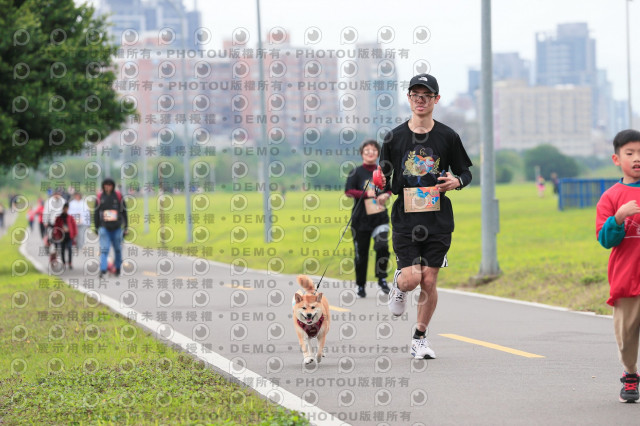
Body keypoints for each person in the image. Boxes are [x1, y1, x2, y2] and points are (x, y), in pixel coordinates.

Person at [379, 73, 472, 359]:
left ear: (436, 99)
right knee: (412, 279)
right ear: (408, 98)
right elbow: (384, 176)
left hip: (438, 219)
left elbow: (465, 172)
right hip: (406, 219)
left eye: (426, 96)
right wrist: (381, 188)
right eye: (415, 95)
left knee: (429, 281)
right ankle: (399, 285)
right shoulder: (394, 137)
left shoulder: (448, 136)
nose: (420, 100)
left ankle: (419, 338)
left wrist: (457, 181)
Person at [595, 128, 640, 403]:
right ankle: (630, 373)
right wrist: (619, 218)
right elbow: (605, 239)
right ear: (616, 159)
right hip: (626, 278)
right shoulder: (611, 197)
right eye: (630, 153)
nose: (637, 158)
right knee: (626, 337)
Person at [345, 139, 392, 298]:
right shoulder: (356, 172)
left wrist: (386, 195)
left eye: (374, 150)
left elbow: (390, 189)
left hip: (380, 218)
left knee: (382, 246)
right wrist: (366, 194)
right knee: (361, 254)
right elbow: (348, 191)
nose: (370, 152)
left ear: (378, 153)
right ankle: (360, 285)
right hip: (360, 220)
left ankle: (382, 279)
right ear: (362, 153)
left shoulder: (382, 172)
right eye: (367, 150)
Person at [94, 178, 128, 278]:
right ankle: (103, 269)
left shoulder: (118, 196)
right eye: (106, 185)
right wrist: (96, 227)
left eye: (110, 185)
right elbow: (96, 212)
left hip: (117, 227)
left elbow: (124, 212)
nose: (108, 187)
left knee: (118, 249)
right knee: (104, 249)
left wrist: (126, 226)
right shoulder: (100, 197)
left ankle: (117, 268)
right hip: (104, 227)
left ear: (113, 186)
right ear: (103, 186)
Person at [52, 203, 77, 270]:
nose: (66, 210)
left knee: (69, 248)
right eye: (65, 208)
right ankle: (63, 263)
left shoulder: (70, 217)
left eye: (67, 208)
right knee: (62, 250)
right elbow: (56, 227)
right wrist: (56, 235)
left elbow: (74, 226)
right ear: (63, 209)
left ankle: (70, 263)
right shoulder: (59, 218)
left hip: (69, 236)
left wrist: (74, 234)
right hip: (61, 236)